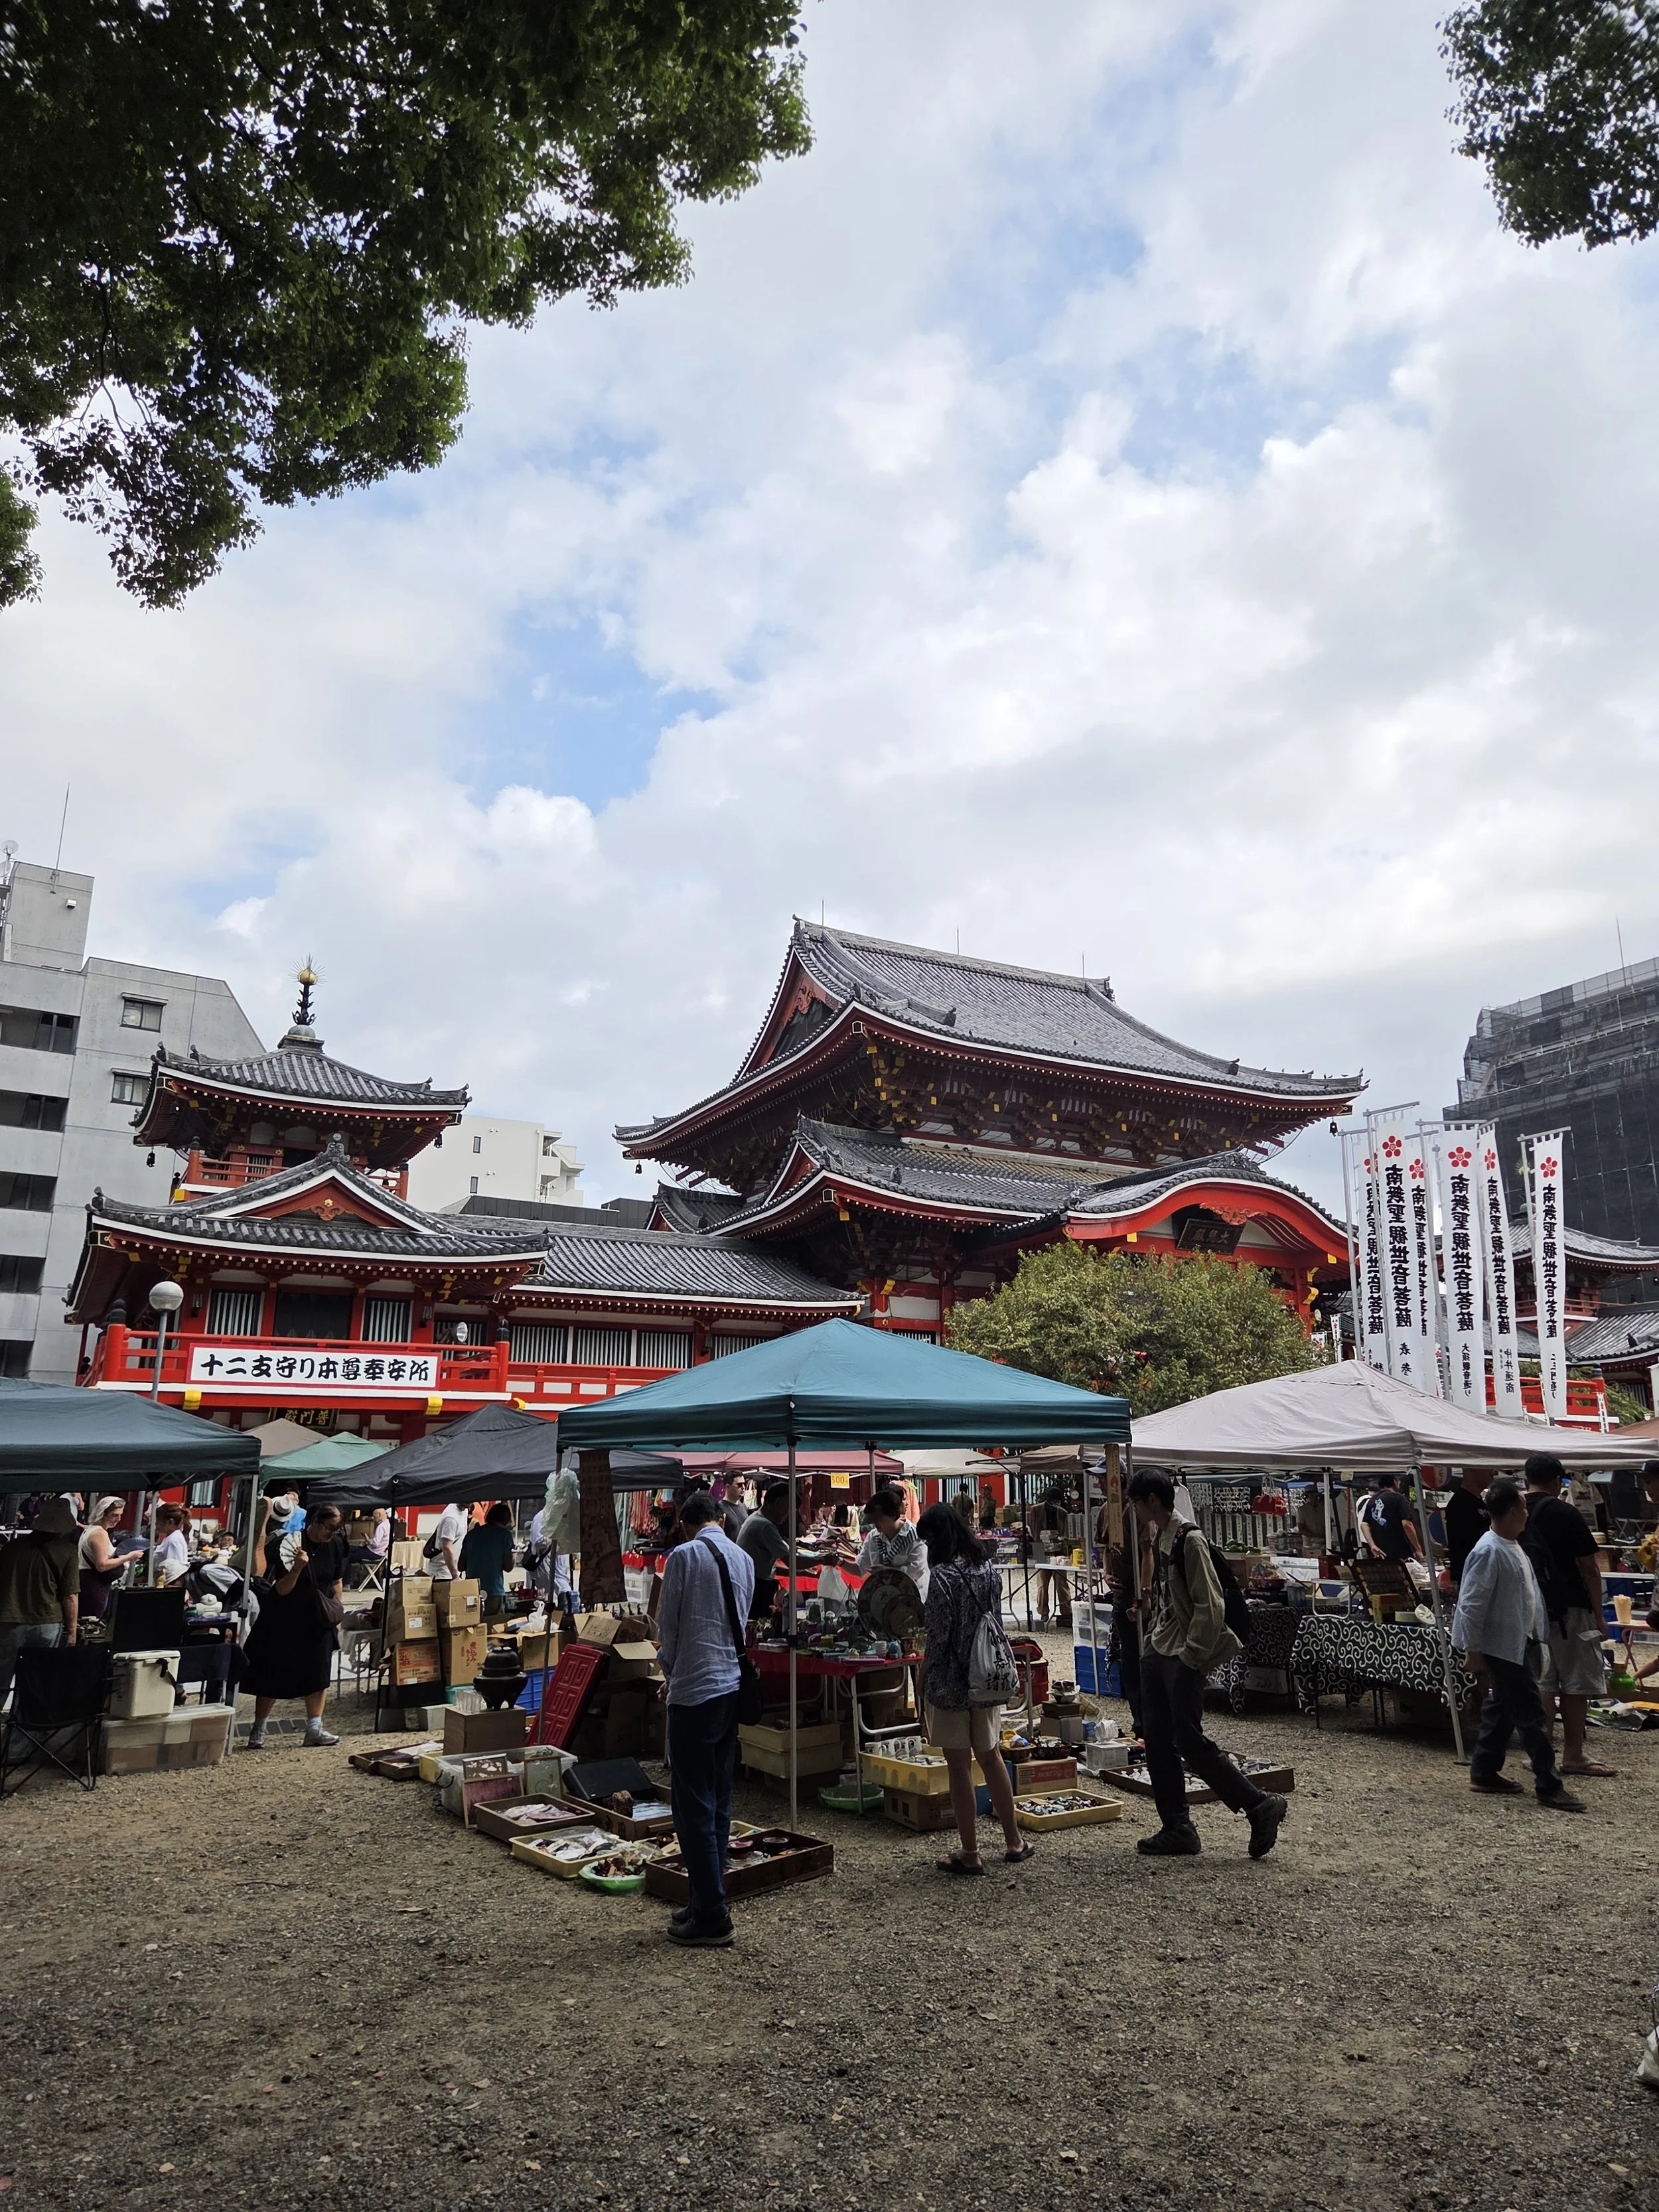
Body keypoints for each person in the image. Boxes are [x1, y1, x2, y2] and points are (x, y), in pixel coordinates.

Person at [1124, 1469, 1287, 1859]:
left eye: (1135, 1500)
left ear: (1151, 1500)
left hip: (1181, 1653)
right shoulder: (1161, 1536)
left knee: (1188, 1739)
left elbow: (1209, 1604)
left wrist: (1192, 1656)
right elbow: (1172, 1598)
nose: (1132, 1508)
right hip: (1161, 1647)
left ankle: (1259, 1804)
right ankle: (1177, 1826)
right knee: (1158, 1738)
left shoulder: (1189, 1539)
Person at [655, 1489, 755, 1949]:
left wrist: (671, 1674)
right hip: (730, 1688)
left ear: (685, 1522)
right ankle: (705, 1896)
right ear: (719, 1517)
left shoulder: (683, 1557)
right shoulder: (743, 1558)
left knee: (692, 1804)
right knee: (717, 1798)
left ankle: (713, 1912)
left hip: (694, 1691)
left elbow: (668, 1630)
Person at [1452, 1475, 1585, 1811]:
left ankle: (1484, 1770)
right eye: (1524, 1506)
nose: (1527, 1512)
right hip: (1500, 1644)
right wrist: (1473, 1649)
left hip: (1517, 1639)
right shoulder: (1488, 1550)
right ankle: (1548, 1782)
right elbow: (1472, 1602)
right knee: (1529, 1711)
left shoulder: (1512, 1545)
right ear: (1514, 1510)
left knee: (1503, 1709)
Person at [914, 1501, 1031, 1876]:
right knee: (991, 1756)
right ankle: (1014, 1841)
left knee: (959, 1766)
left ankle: (970, 1852)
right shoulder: (987, 1569)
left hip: (950, 1682)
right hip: (986, 1676)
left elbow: (938, 1638)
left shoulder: (943, 1578)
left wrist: (922, 1672)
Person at [1522, 1452, 1615, 1781]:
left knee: (1544, 1681)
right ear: (1557, 1480)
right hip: (1571, 1607)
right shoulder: (1565, 1513)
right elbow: (1590, 1569)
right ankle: (1573, 1754)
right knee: (1575, 1683)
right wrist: (1599, 1615)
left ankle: (1541, 1749)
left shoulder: (1515, 1512)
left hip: (1532, 1610)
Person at [242, 1501, 348, 1749]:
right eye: (330, 1528)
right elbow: (281, 1588)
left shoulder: (335, 1545)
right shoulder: (289, 1543)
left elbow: (337, 1581)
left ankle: (315, 1727)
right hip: (285, 1613)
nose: (332, 1534)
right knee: (273, 1670)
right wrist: (298, 1568)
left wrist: (336, 1613)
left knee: (319, 1671)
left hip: (318, 1615)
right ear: (315, 1522)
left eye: (337, 1529)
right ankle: (259, 1727)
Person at [0, 1498, 80, 1705]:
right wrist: (72, 1632)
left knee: (1, 1681)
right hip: (47, 1623)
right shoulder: (68, 1552)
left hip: (9, 1622)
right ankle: (20, 1735)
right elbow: (70, 1596)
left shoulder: (11, 1548)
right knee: (34, 1683)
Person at [736, 1481, 792, 1619]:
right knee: (762, 1626)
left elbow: (766, 1565)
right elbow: (792, 1561)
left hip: (752, 1584)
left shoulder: (756, 1519)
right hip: (756, 1589)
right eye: (788, 1507)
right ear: (778, 1503)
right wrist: (822, 1560)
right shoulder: (764, 1526)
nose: (788, 1514)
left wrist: (804, 1571)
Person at [77, 1496, 136, 1625]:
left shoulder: (91, 1529)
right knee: (91, 1624)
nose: (119, 1519)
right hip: (93, 1586)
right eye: (115, 1515)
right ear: (104, 1514)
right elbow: (102, 1565)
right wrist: (129, 1557)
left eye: (121, 1515)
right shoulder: (99, 1534)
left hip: (87, 1582)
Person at [855, 1487, 926, 1587]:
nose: (876, 1524)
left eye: (880, 1520)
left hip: (910, 1597)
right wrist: (839, 1562)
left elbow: (917, 1570)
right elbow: (860, 1568)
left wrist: (888, 1571)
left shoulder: (914, 1536)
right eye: (874, 1520)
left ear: (893, 1516)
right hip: (883, 1595)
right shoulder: (873, 1537)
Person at [460, 1503, 516, 1617]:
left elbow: (460, 1566)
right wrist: (514, 1556)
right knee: (493, 1628)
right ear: (506, 1520)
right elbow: (508, 1567)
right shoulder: (505, 1536)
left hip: (472, 1591)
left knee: (472, 1628)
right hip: (494, 1590)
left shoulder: (471, 1535)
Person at [1443, 1467, 1492, 1589]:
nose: (1493, 1472)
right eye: (1488, 1468)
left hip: (1486, 1572)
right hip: (1473, 1577)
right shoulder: (1459, 1504)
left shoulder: (1480, 1502)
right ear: (1470, 1470)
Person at [1358, 1472, 1422, 1564]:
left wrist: (1372, 1545)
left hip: (1381, 1553)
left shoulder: (1372, 1501)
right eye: (1398, 1481)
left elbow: (1364, 1524)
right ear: (1394, 1482)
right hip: (1401, 1552)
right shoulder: (1398, 1498)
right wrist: (1418, 1548)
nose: (1399, 1483)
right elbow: (1407, 1524)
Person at [425, 1498, 468, 1581]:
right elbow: (447, 1548)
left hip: (451, 1571)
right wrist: (455, 1575)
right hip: (443, 1574)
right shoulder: (451, 1519)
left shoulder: (464, 1510)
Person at [152, 1503, 190, 1586]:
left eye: (159, 1521)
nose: (156, 1525)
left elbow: (174, 1572)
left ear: (170, 1522)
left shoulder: (174, 1541)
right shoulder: (170, 1538)